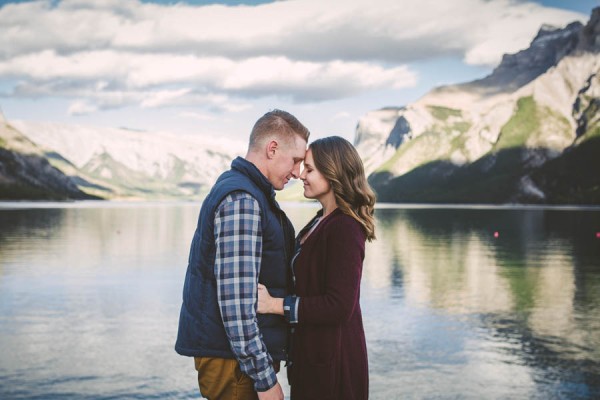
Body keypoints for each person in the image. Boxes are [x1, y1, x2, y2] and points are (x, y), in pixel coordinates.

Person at [175, 109, 310, 400]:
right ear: (272, 148)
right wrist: (264, 379)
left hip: (235, 360)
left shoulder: (248, 192)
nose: (298, 173)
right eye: (296, 160)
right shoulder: (243, 200)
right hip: (235, 365)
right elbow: (236, 303)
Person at [257, 136, 376, 400]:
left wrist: (274, 305)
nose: (301, 175)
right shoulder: (321, 220)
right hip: (313, 359)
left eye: (309, 169)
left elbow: (339, 305)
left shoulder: (345, 227)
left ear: (333, 172)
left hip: (335, 365)